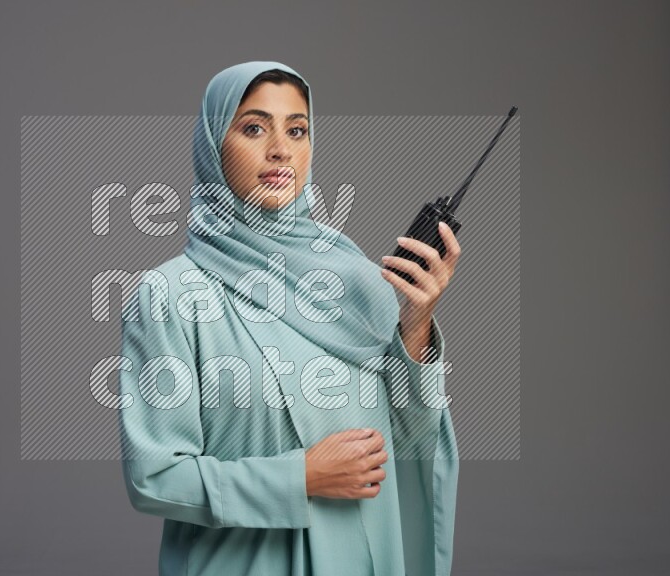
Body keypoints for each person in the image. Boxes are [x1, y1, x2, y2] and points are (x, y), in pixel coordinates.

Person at [119, 61, 461, 576]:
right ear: (214, 144)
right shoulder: (170, 294)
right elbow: (155, 476)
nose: (281, 149)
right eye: (254, 128)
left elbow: (406, 441)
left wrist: (414, 325)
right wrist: (300, 476)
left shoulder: (356, 282)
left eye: (297, 130)